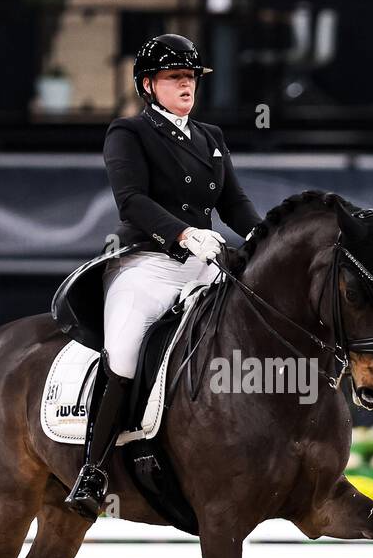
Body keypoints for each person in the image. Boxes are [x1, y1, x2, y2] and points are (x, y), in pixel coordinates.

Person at [63, 34, 263, 518]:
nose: (186, 85)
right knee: (126, 352)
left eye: (190, 77)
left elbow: (233, 203)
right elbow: (130, 199)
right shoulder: (128, 133)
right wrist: (184, 234)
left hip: (205, 266)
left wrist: (264, 236)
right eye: (175, 78)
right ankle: (92, 470)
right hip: (146, 264)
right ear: (149, 85)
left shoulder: (211, 138)